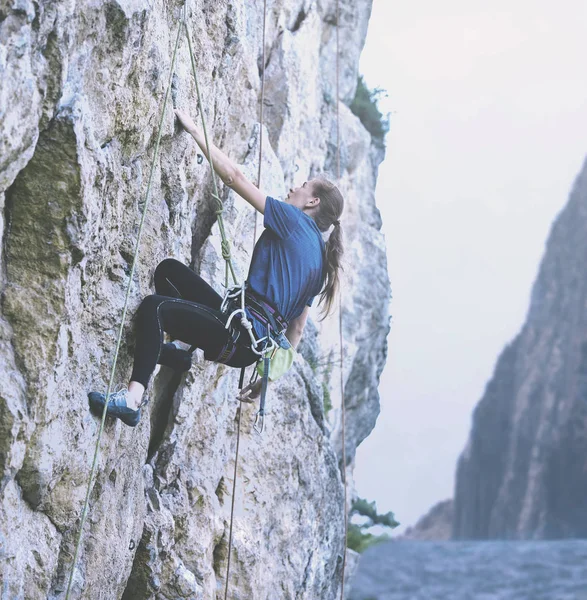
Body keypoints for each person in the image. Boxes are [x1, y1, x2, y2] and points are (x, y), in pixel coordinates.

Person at [88, 109, 344, 427]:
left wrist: (197, 132)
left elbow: (234, 178)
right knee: (168, 271)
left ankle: (132, 400)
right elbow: (297, 329)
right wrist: (267, 378)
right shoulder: (320, 266)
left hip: (237, 331)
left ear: (312, 202)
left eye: (303, 186)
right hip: (245, 340)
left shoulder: (293, 221)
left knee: (155, 308)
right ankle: (178, 352)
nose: (293, 188)